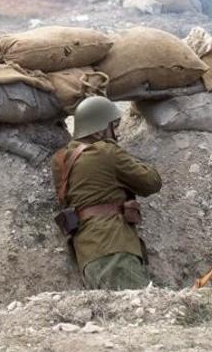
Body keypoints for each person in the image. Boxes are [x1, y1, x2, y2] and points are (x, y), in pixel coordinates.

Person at [51, 96, 162, 290]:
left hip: (87, 254)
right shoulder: (106, 152)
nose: (116, 133)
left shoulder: (60, 160)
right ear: (101, 128)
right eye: (113, 126)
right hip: (114, 249)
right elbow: (151, 183)